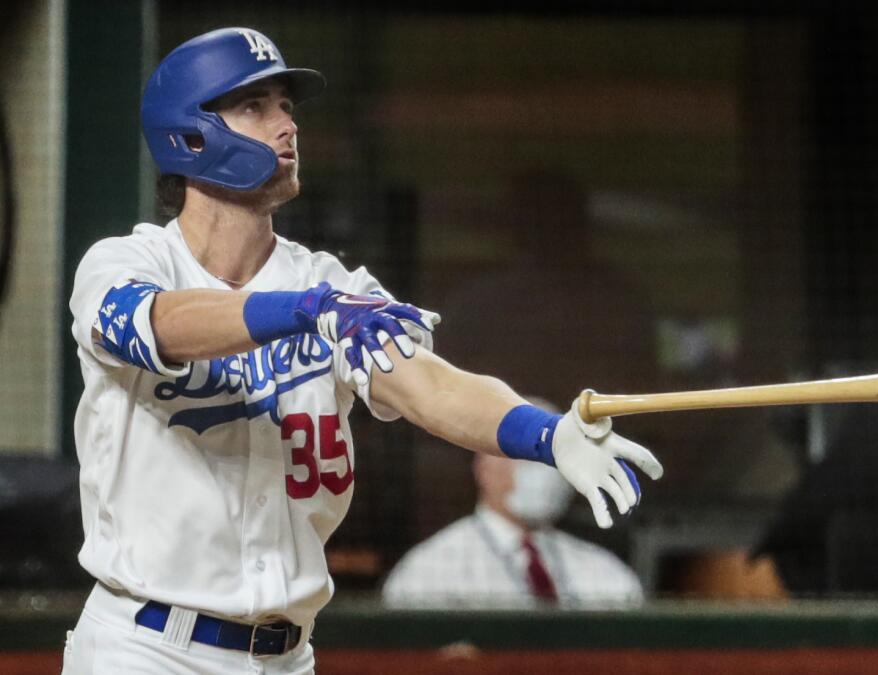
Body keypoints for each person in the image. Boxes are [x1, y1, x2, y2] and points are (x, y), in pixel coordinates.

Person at [62, 27, 662, 674]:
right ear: (191, 134)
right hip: (146, 648)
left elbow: (428, 384)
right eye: (254, 106)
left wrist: (544, 436)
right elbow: (158, 323)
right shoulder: (129, 264)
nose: (286, 124)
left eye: (287, 106)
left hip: (287, 654)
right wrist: (303, 312)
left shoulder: (335, 287)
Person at [382, 428, 644, 609]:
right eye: (529, 455)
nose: (543, 469)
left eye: (555, 458)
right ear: (483, 467)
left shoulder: (606, 573)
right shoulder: (428, 572)